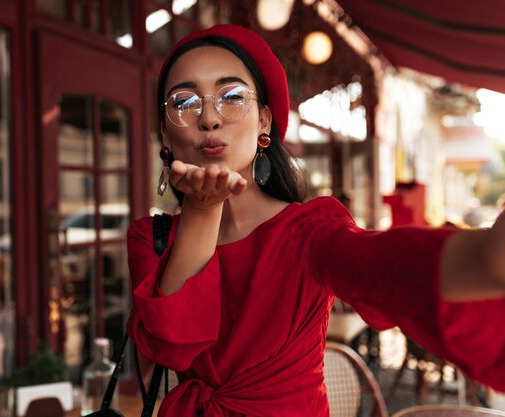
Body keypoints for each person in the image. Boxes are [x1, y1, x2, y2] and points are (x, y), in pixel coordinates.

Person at [126, 24, 505, 417]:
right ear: (165, 136)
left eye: (232, 96)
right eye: (184, 103)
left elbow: (380, 265)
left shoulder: (307, 230)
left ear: (264, 123)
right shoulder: (149, 238)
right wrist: (203, 210)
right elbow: (168, 347)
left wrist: (485, 258)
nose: (208, 117)